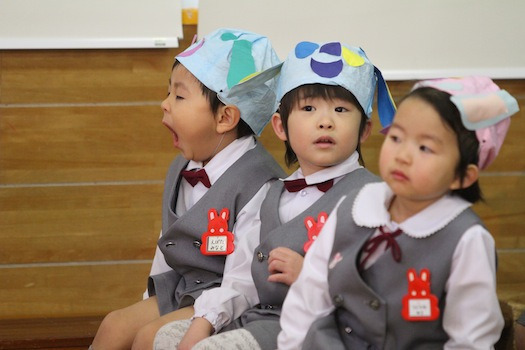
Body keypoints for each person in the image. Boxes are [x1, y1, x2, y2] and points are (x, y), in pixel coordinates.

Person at [153, 40, 396, 350]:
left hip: (328, 327)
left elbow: (384, 288)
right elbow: (242, 279)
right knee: (168, 337)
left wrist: (311, 276)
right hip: (263, 319)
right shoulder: (272, 192)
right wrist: (205, 321)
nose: (325, 121)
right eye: (308, 108)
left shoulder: (373, 198)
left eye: (341, 109)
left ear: (364, 130)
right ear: (281, 127)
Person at [277, 76, 520, 349]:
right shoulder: (354, 204)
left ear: (463, 176)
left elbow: (470, 340)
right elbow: (308, 297)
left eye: (425, 147)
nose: (402, 155)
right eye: (396, 137)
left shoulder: (466, 238)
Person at [91, 28, 286, 350]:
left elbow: (244, 279)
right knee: (115, 325)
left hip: (229, 299)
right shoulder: (181, 167)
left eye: (179, 96)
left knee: (148, 338)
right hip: (182, 288)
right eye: (168, 93)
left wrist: (204, 316)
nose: (165, 104)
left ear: (225, 117)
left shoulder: (260, 182)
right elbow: (168, 245)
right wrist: (148, 300)